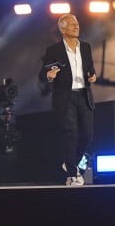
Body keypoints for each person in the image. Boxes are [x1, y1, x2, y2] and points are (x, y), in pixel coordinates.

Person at [38, 14, 97, 186]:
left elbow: (90, 68)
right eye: (72, 24)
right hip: (66, 96)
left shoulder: (86, 47)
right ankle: (72, 174)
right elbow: (43, 74)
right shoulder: (54, 50)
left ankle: (70, 162)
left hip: (84, 94)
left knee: (87, 134)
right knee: (71, 133)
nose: (76, 26)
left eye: (77, 23)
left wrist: (92, 76)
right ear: (62, 29)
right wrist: (49, 75)